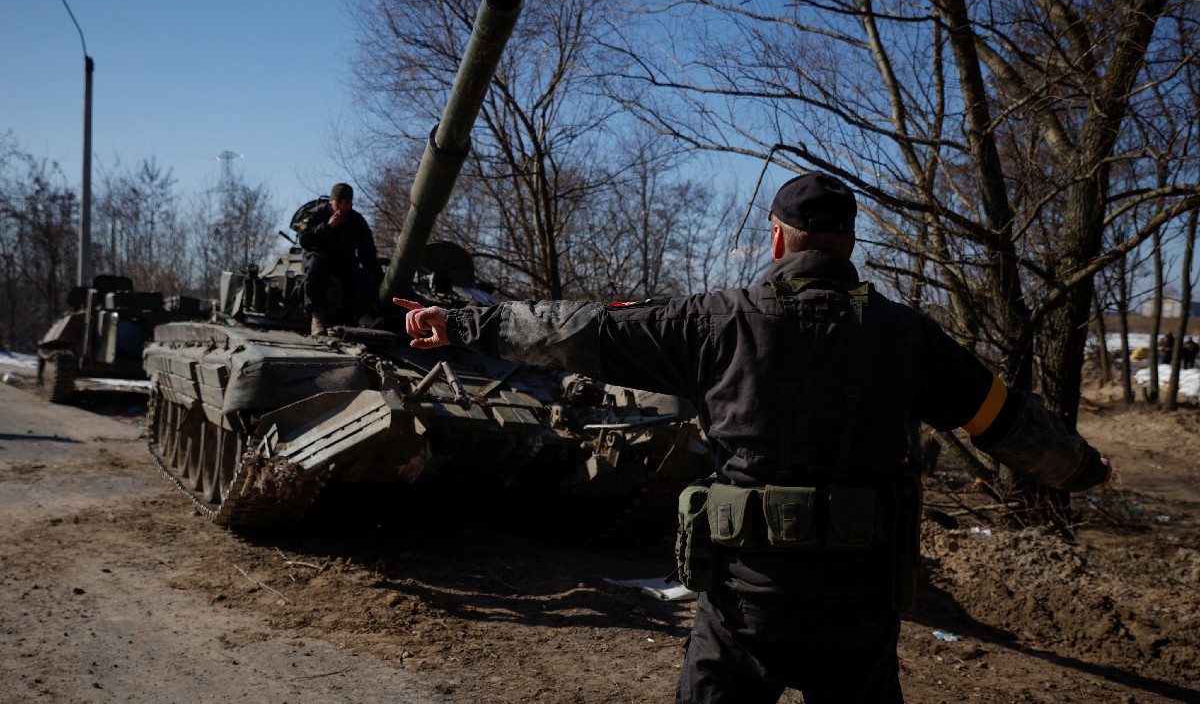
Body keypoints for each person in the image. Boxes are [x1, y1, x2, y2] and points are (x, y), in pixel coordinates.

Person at [394, 172, 1111, 703]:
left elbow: (578, 330)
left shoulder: (711, 321)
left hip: (745, 602)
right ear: (851, 243)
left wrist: (460, 323)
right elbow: (1007, 423)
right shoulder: (911, 337)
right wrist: (1082, 470)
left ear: (775, 238)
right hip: (859, 604)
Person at [297, 182, 383, 334]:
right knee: (316, 265)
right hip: (319, 261)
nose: (342, 207)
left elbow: (367, 252)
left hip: (344, 263)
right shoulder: (316, 215)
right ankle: (317, 316)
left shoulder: (357, 221)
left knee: (363, 277)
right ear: (331, 201)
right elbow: (305, 240)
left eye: (347, 203)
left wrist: (379, 277)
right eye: (339, 202)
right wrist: (328, 226)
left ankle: (363, 317)